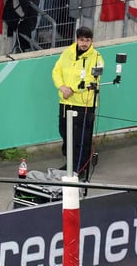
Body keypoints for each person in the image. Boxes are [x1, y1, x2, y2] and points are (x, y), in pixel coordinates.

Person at [52, 26, 102, 181]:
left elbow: (92, 80)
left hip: (84, 104)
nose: (84, 43)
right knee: (65, 133)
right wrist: (61, 87)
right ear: (77, 39)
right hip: (66, 102)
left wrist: (71, 89)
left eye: (87, 40)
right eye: (82, 40)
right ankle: (70, 164)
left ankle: (80, 168)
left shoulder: (97, 58)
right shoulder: (67, 53)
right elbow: (56, 71)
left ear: (91, 41)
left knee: (82, 138)